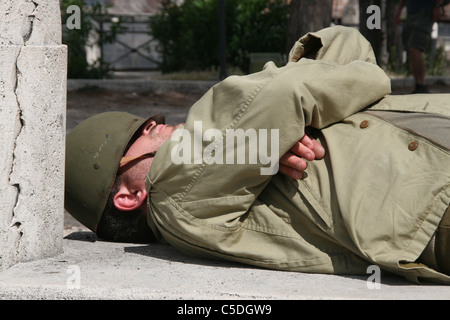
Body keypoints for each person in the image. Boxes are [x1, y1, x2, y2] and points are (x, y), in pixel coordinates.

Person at [65, 26, 450, 284]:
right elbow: (283, 93)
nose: (156, 126)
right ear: (128, 196)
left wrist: (284, 129)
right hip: (433, 202)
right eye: (140, 133)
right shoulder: (170, 195)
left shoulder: (231, 155)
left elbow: (345, 41)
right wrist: (287, 121)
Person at [394, 0, 446, 93]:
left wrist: (438, 6)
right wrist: (399, 11)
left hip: (425, 10)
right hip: (411, 11)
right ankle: (418, 84)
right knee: (411, 48)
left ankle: (422, 84)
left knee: (416, 47)